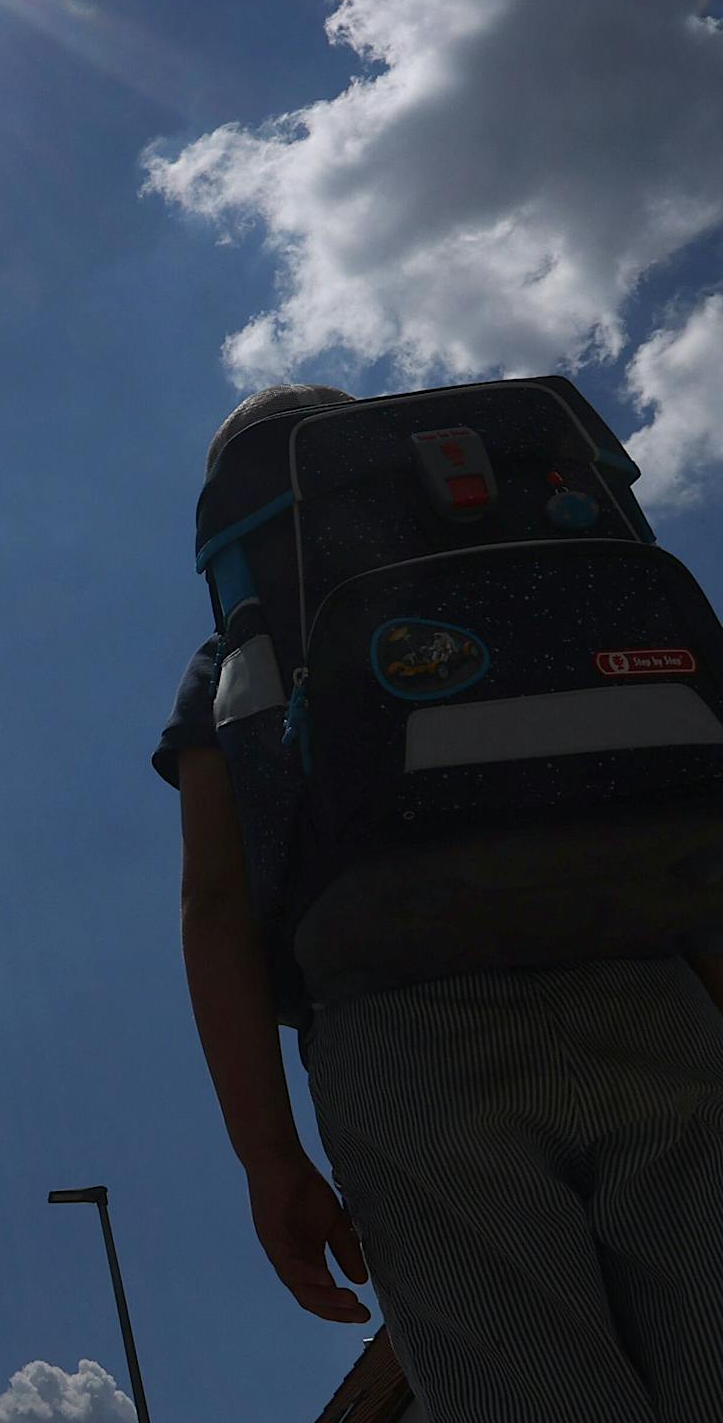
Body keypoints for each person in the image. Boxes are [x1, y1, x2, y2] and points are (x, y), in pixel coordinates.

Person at [158, 385, 723, 1423]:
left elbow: (213, 903)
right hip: (646, 984)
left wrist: (268, 1156)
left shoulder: (236, 659)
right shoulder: (551, 582)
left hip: (400, 1037)